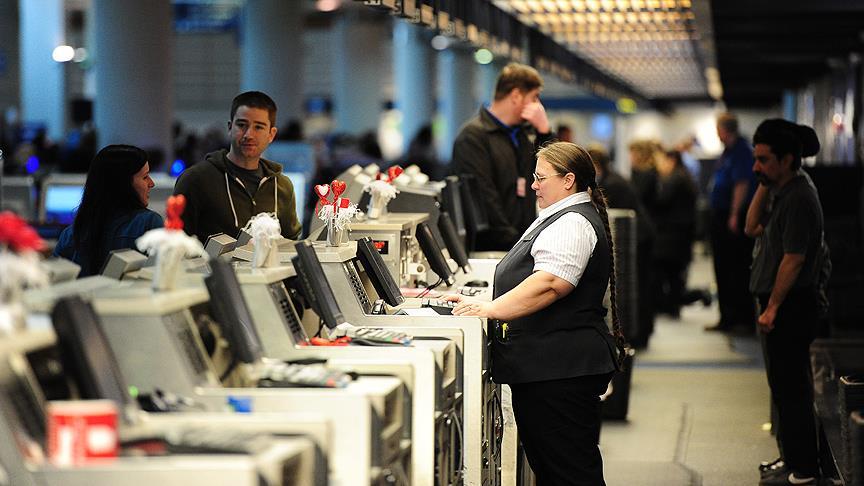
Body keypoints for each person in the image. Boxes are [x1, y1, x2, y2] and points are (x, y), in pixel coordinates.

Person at [445, 142, 625, 485]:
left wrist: (491, 309)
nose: (533, 185)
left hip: (560, 370)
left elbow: (551, 283)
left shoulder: (572, 222)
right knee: (559, 469)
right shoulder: (562, 216)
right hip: (553, 367)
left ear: (568, 180)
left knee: (569, 472)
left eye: (541, 178)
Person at [745, 120, 827, 486]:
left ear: (788, 159)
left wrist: (773, 307)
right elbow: (750, 227)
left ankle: (805, 470)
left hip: (791, 304)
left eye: (764, 160)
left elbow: (793, 259)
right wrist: (765, 181)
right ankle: (792, 458)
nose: (756, 167)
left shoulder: (798, 197)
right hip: (778, 302)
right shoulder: (781, 189)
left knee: (792, 390)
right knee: (782, 388)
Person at [173, 91, 301, 243]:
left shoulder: (282, 187)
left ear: (271, 134)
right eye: (241, 125)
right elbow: (177, 245)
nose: (248, 134)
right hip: (209, 267)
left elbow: (291, 246)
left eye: (259, 127)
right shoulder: (195, 180)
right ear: (230, 127)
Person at [451, 62, 553, 251]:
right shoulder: (473, 137)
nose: (538, 105)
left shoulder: (525, 134)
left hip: (520, 245)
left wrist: (544, 132)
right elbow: (484, 197)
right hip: (492, 249)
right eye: (534, 97)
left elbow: (551, 174)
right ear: (515, 96)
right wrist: (517, 244)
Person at [54, 145, 163, 277]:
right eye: (145, 177)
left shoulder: (71, 235)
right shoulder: (149, 224)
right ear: (123, 184)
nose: (151, 183)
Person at [589, 145, 656, 348]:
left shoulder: (612, 184)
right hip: (639, 237)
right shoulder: (613, 179)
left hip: (638, 239)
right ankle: (639, 334)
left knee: (638, 289)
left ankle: (639, 335)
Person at [706, 112, 757, 333]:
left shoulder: (742, 151)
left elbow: (742, 185)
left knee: (736, 268)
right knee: (723, 268)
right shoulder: (728, 151)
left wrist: (735, 215)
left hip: (732, 215)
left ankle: (741, 319)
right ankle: (727, 317)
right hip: (721, 215)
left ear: (724, 129)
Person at [652, 150, 698, 318]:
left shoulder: (676, 178)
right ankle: (673, 305)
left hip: (674, 234)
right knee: (675, 272)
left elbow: (662, 201)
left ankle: (671, 305)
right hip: (680, 233)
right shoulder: (683, 176)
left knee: (670, 272)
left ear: (671, 160)